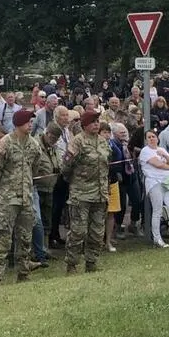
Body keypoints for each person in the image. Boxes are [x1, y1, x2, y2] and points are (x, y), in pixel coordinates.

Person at [0, 110, 41, 282]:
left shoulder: (34, 145)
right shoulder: (4, 144)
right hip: (7, 199)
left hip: (26, 198)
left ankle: (23, 273)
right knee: (3, 238)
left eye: (31, 122)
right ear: (18, 124)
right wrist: (2, 188)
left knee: (25, 237)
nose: (30, 125)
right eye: (28, 122)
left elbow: (35, 169)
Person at [61, 110, 110, 273]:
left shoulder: (103, 142)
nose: (96, 124)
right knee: (78, 231)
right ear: (84, 124)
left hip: (100, 193)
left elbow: (106, 164)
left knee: (97, 232)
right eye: (93, 121)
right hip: (81, 193)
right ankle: (72, 264)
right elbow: (66, 166)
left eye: (98, 121)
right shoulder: (77, 142)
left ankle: (91, 262)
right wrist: (75, 182)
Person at [140, 130, 169, 247]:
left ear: (157, 138)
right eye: (148, 137)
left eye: (153, 136)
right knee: (157, 210)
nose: (151, 139)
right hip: (154, 182)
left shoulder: (161, 149)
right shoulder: (145, 151)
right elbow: (157, 164)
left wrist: (164, 155)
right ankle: (157, 239)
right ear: (146, 140)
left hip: (167, 181)